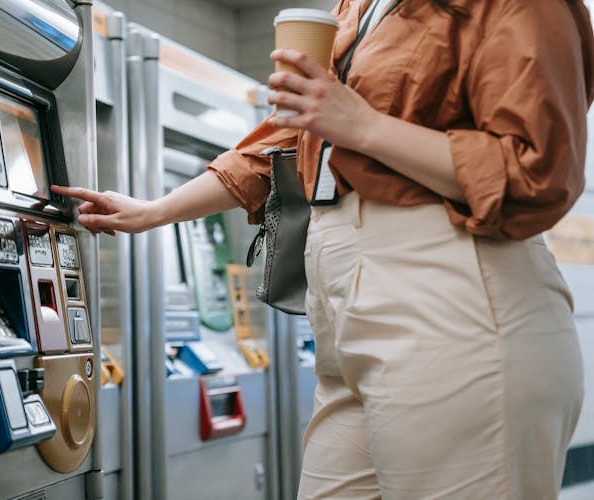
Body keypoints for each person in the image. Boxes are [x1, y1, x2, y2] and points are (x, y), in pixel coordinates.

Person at [53, 0, 594, 497]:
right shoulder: (360, 6)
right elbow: (280, 147)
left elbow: (534, 171)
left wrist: (361, 125)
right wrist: (154, 212)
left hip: (456, 304)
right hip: (346, 321)